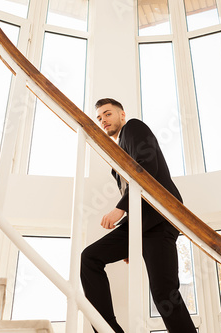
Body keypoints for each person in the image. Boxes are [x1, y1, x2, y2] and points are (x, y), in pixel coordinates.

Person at [80, 98, 195, 333]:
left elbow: (146, 167)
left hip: (158, 220)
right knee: (90, 258)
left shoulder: (133, 128)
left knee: (164, 293)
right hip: (140, 225)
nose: (103, 120)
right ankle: (108, 329)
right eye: (99, 118)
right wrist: (133, 240)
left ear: (122, 115)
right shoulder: (118, 154)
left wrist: (120, 208)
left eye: (108, 114)